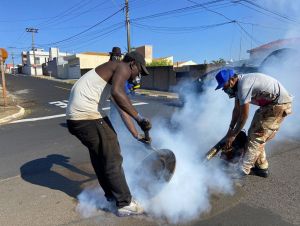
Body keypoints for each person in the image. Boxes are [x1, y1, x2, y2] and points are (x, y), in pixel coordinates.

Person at [66, 51, 151, 216]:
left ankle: (113, 199)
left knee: (101, 158)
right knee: (112, 156)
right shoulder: (122, 66)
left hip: (78, 118)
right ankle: (125, 202)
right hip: (86, 115)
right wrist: (140, 119)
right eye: (139, 71)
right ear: (133, 63)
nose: (138, 75)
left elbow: (121, 107)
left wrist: (136, 134)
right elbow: (118, 94)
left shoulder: (111, 73)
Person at [215, 69, 292, 178]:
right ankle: (262, 167)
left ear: (232, 79)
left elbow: (244, 116)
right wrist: (230, 131)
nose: (224, 89)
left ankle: (243, 170)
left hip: (279, 104)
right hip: (269, 106)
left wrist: (233, 136)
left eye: (224, 85)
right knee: (255, 134)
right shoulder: (238, 87)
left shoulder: (243, 86)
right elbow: (236, 111)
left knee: (256, 136)